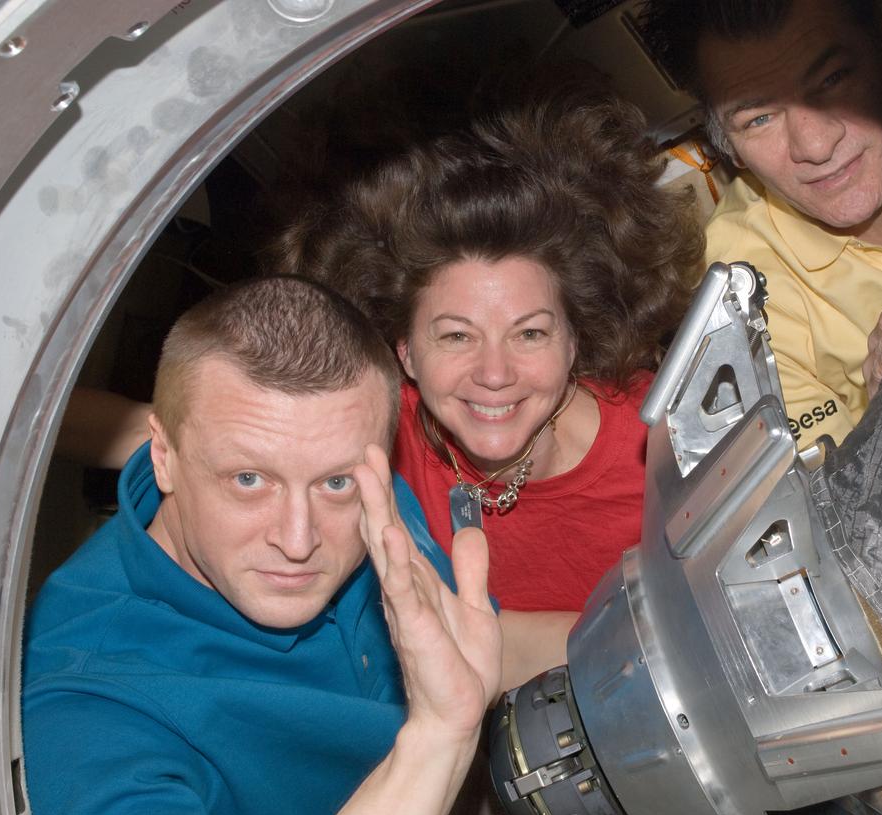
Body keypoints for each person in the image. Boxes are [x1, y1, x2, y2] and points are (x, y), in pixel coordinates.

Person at [22, 276, 501, 815]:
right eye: (249, 480)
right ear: (164, 456)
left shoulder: (369, 497)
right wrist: (440, 737)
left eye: (335, 482)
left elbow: (464, 642)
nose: (298, 541)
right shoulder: (88, 703)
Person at [272, 86, 704, 687]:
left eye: (529, 334)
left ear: (574, 343)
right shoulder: (374, 419)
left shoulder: (667, 446)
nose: (494, 374)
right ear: (405, 352)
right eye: (456, 337)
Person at [638, 0, 882, 448]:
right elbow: (831, 503)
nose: (814, 144)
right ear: (727, 146)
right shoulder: (730, 299)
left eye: (833, 79)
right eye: (760, 118)